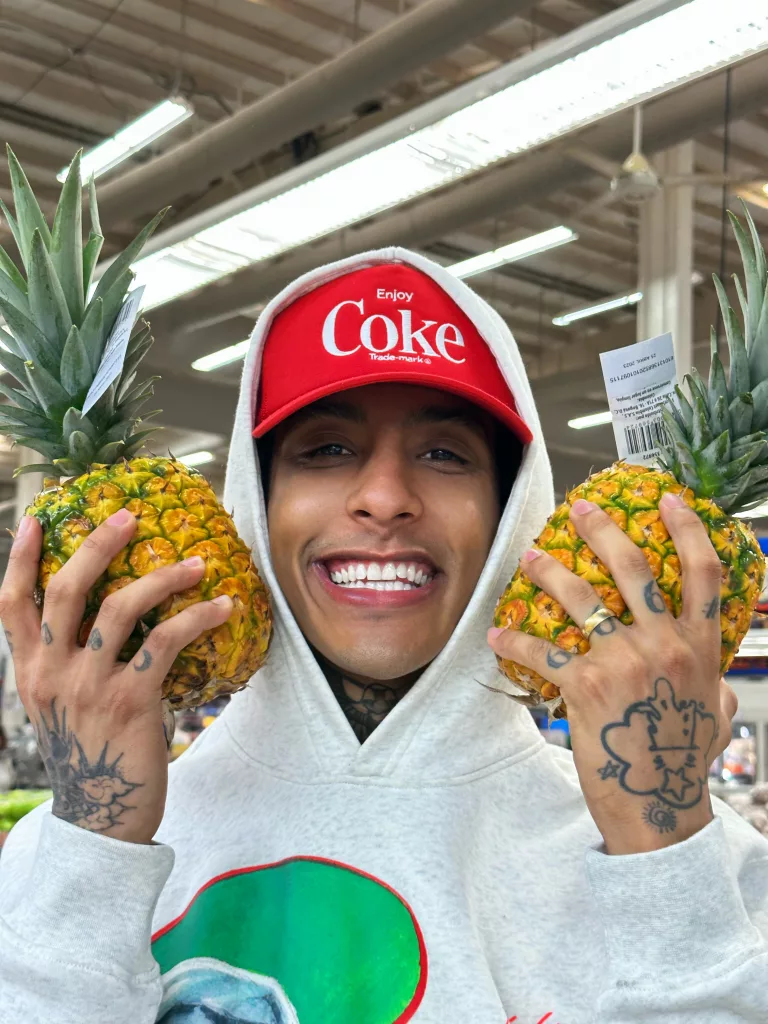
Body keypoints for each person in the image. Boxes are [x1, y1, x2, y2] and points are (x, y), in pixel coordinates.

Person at [0, 248, 766, 1024]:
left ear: (509, 517)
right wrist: (95, 841)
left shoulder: (712, 873)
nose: (385, 497)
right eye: (327, 449)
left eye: (445, 454)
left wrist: (663, 853)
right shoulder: (67, 857)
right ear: (257, 502)